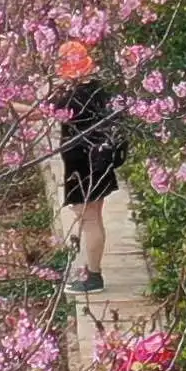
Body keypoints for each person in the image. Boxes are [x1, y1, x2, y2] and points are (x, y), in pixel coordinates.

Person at [50, 29, 133, 291]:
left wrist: (8, 104)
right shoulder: (96, 89)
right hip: (97, 158)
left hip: (82, 162)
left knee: (87, 217)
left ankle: (94, 276)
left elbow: (45, 112)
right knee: (94, 215)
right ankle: (92, 268)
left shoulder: (74, 96)